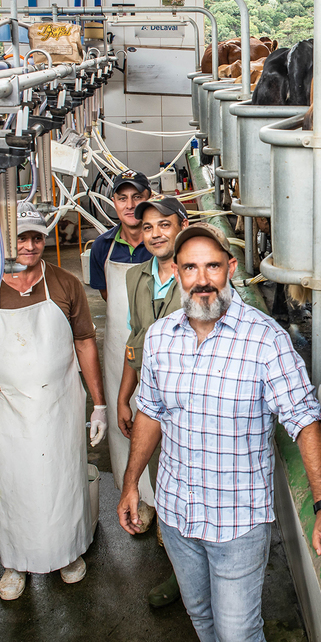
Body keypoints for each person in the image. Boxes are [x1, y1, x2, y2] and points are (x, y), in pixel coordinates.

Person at [117, 223, 321, 642]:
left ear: (230, 268)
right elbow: (151, 413)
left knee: (238, 635)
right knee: (200, 618)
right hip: (177, 514)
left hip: (237, 523)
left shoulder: (267, 340)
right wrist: (130, 483)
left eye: (212, 266)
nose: (202, 279)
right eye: (190, 268)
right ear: (176, 272)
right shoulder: (159, 338)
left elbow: (304, 420)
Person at [0, 202, 107, 601]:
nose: (30, 245)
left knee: (65, 481)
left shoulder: (64, 285)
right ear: (4, 240)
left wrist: (99, 403)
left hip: (59, 404)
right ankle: (15, 562)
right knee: (12, 487)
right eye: (20, 237)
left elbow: (85, 342)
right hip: (6, 411)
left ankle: (69, 554)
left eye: (36, 237)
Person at [116, 195, 189, 607]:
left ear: (180, 226)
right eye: (147, 227)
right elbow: (134, 342)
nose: (156, 233)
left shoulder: (196, 274)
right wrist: (125, 397)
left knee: (193, 482)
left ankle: (193, 575)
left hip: (193, 403)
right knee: (163, 480)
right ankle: (178, 565)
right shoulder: (135, 278)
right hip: (151, 400)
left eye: (164, 224)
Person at [89, 170, 153, 493]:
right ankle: (135, 495)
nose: (130, 205)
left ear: (148, 199)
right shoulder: (101, 248)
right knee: (123, 422)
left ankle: (162, 504)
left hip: (156, 346)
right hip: (117, 349)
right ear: (113, 201)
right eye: (122, 198)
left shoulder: (160, 244)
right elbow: (107, 297)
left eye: (137, 197)